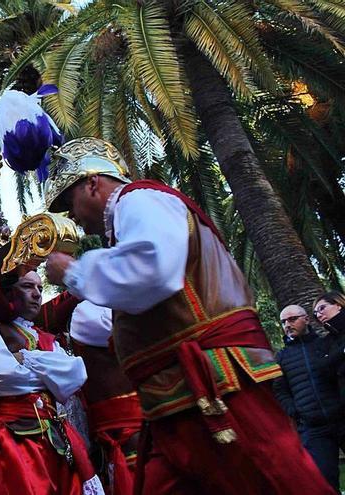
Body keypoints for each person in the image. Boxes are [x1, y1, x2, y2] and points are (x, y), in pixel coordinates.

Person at [43, 137, 333, 494]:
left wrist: (73, 272)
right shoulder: (128, 219)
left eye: (67, 201)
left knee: (279, 478)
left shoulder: (139, 200)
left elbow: (152, 270)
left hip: (212, 385)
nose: (69, 216)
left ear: (92, 183)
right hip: (177, 397)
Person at [0, 270, 102, 495]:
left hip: (58, 440)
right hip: (12, 440)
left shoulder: (43, 336)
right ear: (7, 291)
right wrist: (49, 376)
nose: (37, 294)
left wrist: (24, 359)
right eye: (27, 286)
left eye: (39, 288)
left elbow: (75, 374)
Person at [69, 301, 141, 495]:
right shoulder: (85, 312)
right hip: (124, 427)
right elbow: (135, 332)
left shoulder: (116, 305)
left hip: (146, 418)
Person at [273, 304, 344, 489]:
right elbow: (280, 390)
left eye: (292, 319)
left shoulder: (326, 344)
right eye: (283, 322)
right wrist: (296, 411)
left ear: (306, 319)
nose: (287, 324)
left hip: (342, 418)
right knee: (324, 481)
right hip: (313, 430)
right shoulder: (281, 358)